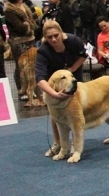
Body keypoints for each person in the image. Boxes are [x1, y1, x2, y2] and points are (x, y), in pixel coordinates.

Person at [35, 20, 87, 157]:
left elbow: (83, 55)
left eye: (56, 35)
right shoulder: (43, 51)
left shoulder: (74, 40)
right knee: (55, 112)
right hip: (55, 80)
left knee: (75, 111)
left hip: (73, 75)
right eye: (49, 37)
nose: (53, 39)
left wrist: (71, 69)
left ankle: (75, 143)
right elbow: (40, 79)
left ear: (61, 33)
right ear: (45, 38)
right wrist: (54, 94)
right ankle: (58, 143)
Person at [4, 0, 38, 92]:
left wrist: (28, 24)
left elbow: (32, 21)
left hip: (29, 40)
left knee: (31, 66)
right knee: (20, 67)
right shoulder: (10, 11)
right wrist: (26, 25)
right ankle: (21, 88)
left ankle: (31, 88)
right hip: (18, 42)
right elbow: (20, 27)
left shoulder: (24, 8)